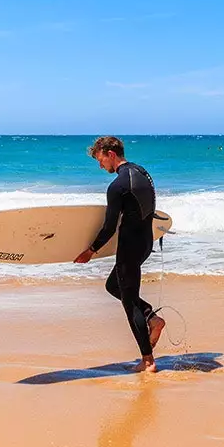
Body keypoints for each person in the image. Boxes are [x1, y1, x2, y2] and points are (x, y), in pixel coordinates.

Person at [74, 136, 166, 372]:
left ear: (110, 154)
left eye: (100, 159)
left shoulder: (117, 187)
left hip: (129, 247)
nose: (100, 165)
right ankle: (152, 318)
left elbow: (109, 227)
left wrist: (90, 251)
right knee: (113, 286)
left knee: (129, 303)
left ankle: (148, 361)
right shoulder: (143, 173)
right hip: (145, 242)